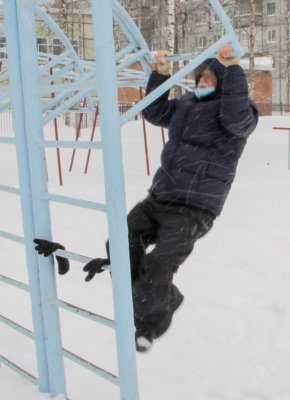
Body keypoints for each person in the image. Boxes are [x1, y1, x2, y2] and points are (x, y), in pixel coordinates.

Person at [35, 44, 259, 352]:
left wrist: (233, 69)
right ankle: (166, 295)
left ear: (223, 81)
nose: (202, 83)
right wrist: (159, 75)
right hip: (160, 197)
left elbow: (235, 117)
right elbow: (154, 111)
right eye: (200, 78)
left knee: (160, 263)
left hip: (195, 208)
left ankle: (148, 326)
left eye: (209, 79)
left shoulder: (240, 114)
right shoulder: (186, 105)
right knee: (121, 240)